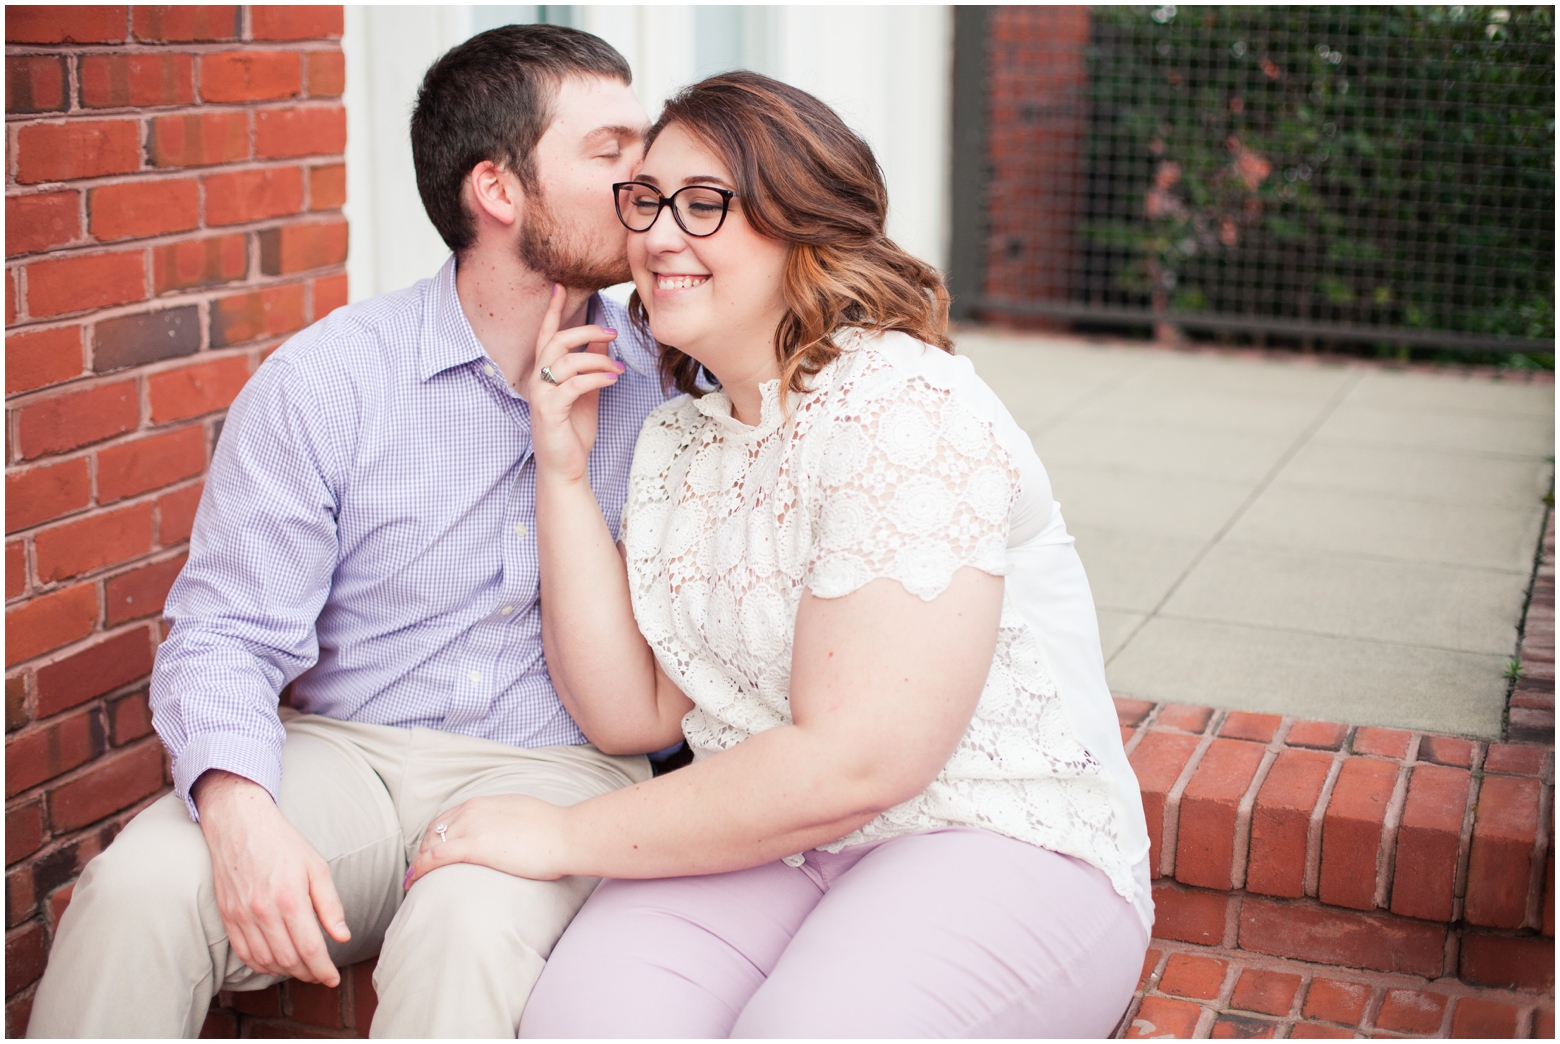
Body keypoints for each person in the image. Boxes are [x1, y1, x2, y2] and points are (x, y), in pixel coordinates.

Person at [405, 71, 1155, 1038]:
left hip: (990, 834)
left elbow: (859, 763)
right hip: (774, 845)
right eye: (648, 200)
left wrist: (557, 835)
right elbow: (632, 710)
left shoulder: (901, 406)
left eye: (706, 203)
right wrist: (560, 469)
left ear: (802, 222)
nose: (660, 236)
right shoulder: (681, 443)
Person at [27, 25, 671, 1038]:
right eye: (612, 152)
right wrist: (237, 810)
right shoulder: (326, 380)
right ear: (499, 192)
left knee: (464, 932)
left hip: (564, 767)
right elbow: (226, 632)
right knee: (140, 890)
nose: (650, 180)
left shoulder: (675, 378)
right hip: (349, 758)